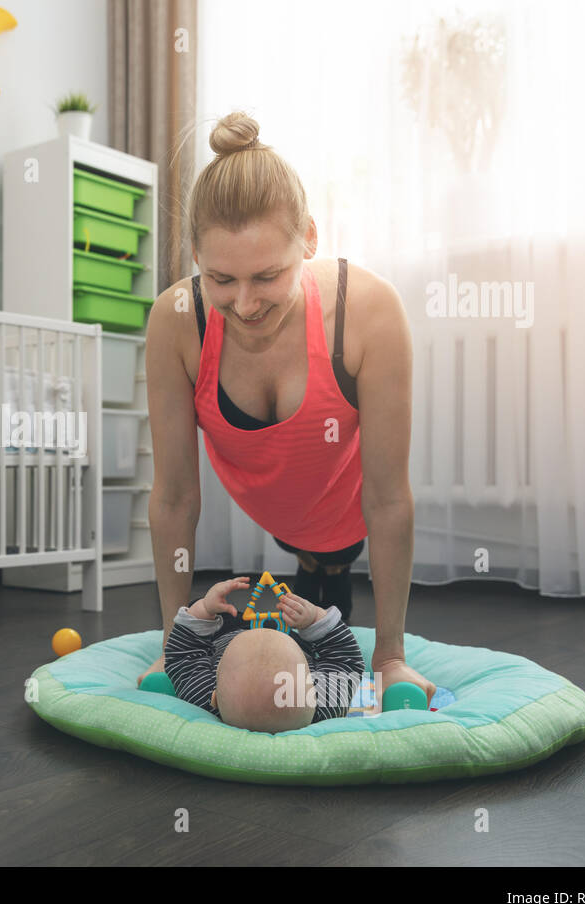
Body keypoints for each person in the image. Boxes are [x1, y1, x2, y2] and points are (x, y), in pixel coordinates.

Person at [141, 110, 435, 704]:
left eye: (267, 276)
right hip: (273, 502)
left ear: (309, 236)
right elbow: (174, 496)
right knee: (304, 596)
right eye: (220, 278)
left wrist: (392, 657)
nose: (244, 303)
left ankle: (325, 571)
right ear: (194, 253)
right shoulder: (176, 321)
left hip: (342, 510)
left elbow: (387, 497)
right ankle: (316, 570)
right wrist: (173, 645)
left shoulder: (368, 311)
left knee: (327, 581)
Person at [165, 576, 364, 732]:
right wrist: (314, 619)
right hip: (292, 636)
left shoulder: (203, 699)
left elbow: (184, 655)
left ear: (214, 697)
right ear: (314, 687)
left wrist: (204, 608)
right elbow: (344, 659)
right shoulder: (325, 705)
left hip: (229, 628)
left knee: (195, 610)